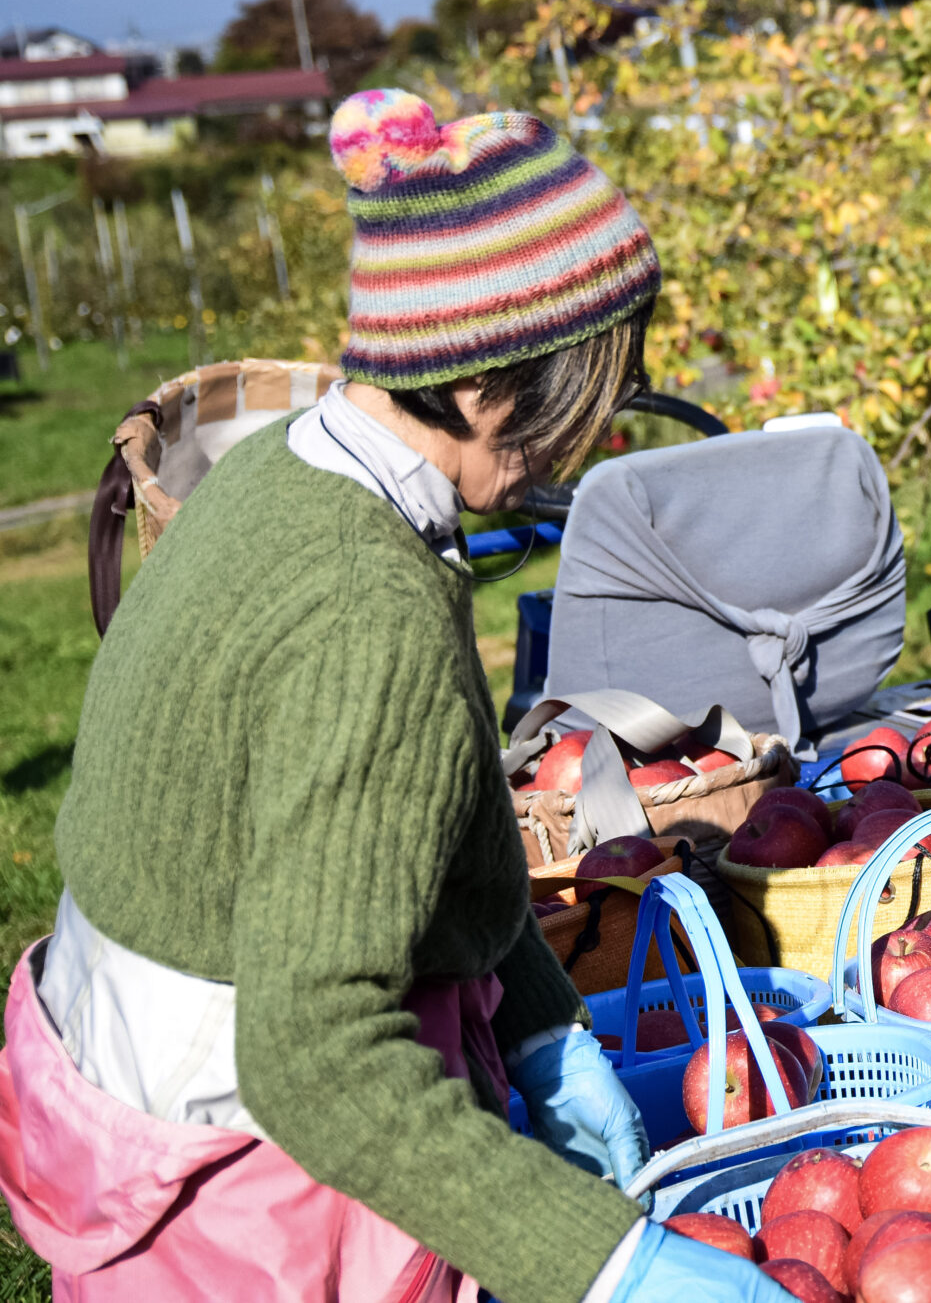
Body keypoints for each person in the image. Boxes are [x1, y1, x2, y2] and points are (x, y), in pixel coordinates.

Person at [0, 91, 796, 1302]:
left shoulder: (286, 474)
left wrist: (536, 1021)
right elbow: (317, 1062)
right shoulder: (365, 610)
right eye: (582, 395)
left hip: (118, 1092)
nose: (582, 444)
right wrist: (608, 1268)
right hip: (241, 1190)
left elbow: (436, 797)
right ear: (480, 392)